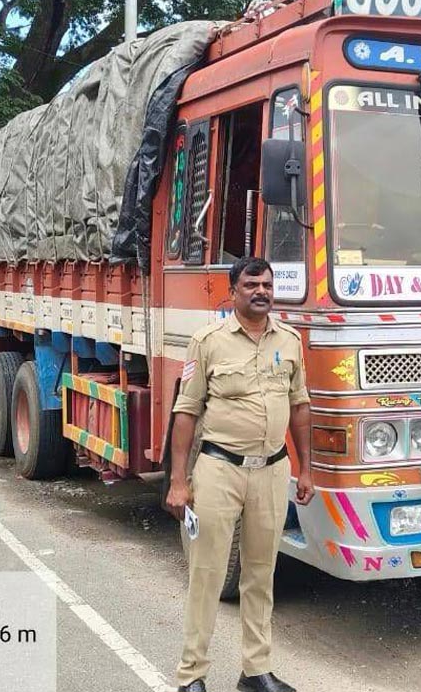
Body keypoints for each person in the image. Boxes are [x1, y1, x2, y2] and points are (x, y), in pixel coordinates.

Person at [164, 256, 315, 692]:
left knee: (261, 574)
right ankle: (192, 676)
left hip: (271, 471)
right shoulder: (207, 341)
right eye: (251, 284)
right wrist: (178, 480)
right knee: (207, 574)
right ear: (233, 291)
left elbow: (300, 406)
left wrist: (305, 468)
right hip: (218, 469)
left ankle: (255, 671)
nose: (261, 291)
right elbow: (186, 411)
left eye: (267, 284)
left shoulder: (289, 341)